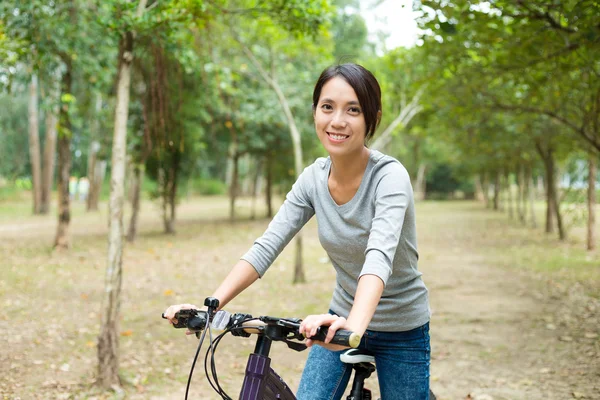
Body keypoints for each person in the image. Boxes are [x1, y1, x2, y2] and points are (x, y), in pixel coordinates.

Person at [164, 63, 431, 399]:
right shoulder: (313, 180)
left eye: (353, 110)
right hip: (341, 318)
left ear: (371, 118)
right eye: (327, 107)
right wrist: (212, 306)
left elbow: (379, 256)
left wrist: (356, 326)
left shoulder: (390, 178)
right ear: (315, 112)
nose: (337, 121)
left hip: (402, 328)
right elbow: (266, 247)